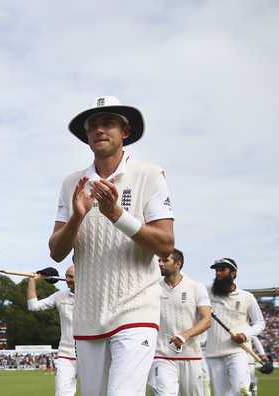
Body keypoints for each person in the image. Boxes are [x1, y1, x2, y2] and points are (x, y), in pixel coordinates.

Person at [49, 96, 175, 396]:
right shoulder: (72, 183)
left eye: (108, 123)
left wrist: (117, 215)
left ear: (125, 132)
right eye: (93, 125)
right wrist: (77, 217)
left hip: (136, 309)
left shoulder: (149, 174)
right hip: (89, 314)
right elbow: (56, 251)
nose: (99, 130)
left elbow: (166, 244)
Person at [147, 249, 211, 396]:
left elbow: (207, 320)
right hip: (161, 356)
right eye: (159, 261)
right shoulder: (153, 288)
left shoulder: (196, 287)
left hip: (192, 356)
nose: (160, 264)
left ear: (178, 264)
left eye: (165, 260)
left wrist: (185, 335)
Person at [204, 258, 265, 396]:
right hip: (213, 354)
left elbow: (260, 323)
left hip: (237, 352)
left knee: (240, 389)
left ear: (233, 273)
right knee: (221, 394)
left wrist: (245, 335)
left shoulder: (247, 297)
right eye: (216, 270)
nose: (218, 273)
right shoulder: (206, 292)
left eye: (222, 270)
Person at [27, 265, 77, 396]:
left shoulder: (95, 296)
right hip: (66, 355)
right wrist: (32, 281)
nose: (66, 280)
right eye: (66, 276)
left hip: (90, 354)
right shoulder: (60, 296)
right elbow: (33, 306)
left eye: (70, 276)